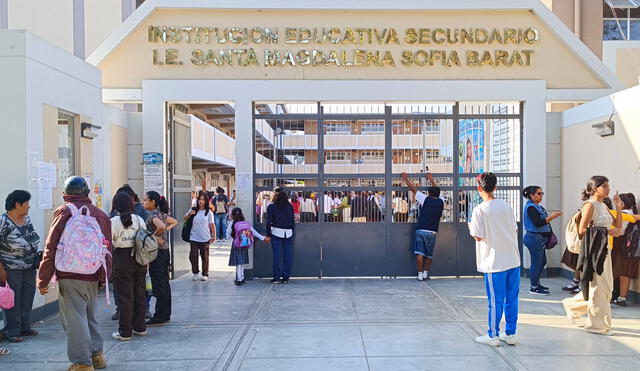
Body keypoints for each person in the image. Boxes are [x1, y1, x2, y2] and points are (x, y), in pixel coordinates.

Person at [38, 176, 113, 370]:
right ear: (87, 193)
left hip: (69, 274)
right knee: (89, 316)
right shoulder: (100, 215)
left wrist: (43, 278)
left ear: (65, 195)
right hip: (93, 273)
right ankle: (97, 356)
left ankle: (81, 363)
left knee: (74, 319)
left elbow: (51, 246)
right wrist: (105, 277)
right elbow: (107, 248)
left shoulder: (63, 211)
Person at [562, 176, 622, 335]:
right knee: (598, 289)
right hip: (594, 252)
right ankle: (597, 325)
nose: (609, 189)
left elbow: (618, 227)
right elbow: (582, 231)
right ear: (595, 188)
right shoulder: (589, 206)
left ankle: (572, 306)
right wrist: (607, 231)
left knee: (606, 289)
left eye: (609, 186)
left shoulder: (603, 205)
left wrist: (618, 207)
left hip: (605, 250)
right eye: (605, 186)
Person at [468, 172, 520, 347]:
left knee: (495, 301)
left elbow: (477, 236)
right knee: (511, 299)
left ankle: (493, 335)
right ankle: (510, 333)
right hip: (513, 259)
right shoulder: (506, 206)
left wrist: (470, 227)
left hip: (494, 261)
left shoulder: (479, 209)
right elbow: (515, 230)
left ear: (479, 188)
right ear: (495, 186)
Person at [0, 190, 40, 343]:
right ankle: (12, 331)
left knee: (27, 296)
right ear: (17, 204)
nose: (29, 207)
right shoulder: (3, 221)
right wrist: (1, 269)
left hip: (29, 266)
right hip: (11, 267)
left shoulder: (26, 219)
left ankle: (25, 327)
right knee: (13, 299)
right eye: (26, 203)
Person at [110, 192, 148, 342]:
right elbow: (145, 237)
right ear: (131, 204)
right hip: (139, 258)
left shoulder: (113, 221)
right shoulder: (138, 219)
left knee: (125, 297)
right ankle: (140, 327)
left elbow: (108, 241)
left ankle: (125, 331)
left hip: (121, 258)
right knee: (140, 293)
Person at [400, 172, 444, 281]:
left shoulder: (425, 199)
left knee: (419, 252)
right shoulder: (441, 201)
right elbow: (436, 190)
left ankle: (419, 274)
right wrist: (431, 179)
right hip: (433, 232)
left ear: (429, 193)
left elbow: (413, 189)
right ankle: (425, 273)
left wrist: (405, 179)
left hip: (421, 229)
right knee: (429, 254)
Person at [143, 191, 177, 327]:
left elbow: (161, 226)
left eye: (145, 200)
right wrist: (162, 232)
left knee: (159, 284)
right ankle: (165, 313)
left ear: (153, 202)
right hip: (165, 251)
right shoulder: (161, 213)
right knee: (164, 283)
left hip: (157, 253)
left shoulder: (153, 214)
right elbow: (173, 222)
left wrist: (153, 236)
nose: (143, 202)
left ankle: (160, 316)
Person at [522, 186, 562, 295]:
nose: (541, 196)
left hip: (539, 238)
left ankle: (537, 283)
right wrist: (552, 217)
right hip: (534, 238)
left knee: (542, 261)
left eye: (542, 193)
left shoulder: (538, 207)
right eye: (538, 194)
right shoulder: (531, 207)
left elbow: (545, 224)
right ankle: (534, 287)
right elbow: (538, 223)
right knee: (537, 262)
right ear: (531, 195)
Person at [227, 208, 270, 285]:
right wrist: (263, 238)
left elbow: (228, 234)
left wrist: (234, 240)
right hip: (244, 244)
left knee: (238, 263)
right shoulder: (246, 224)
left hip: (236, 246)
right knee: (242, 262)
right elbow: (255, 233)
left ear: (232, 215)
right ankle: (242, 277)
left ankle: (239, 279)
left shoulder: (232, 224)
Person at [611, 193, 639, 306]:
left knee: (623, 273)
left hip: (623, 246)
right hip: (627, 247)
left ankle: (622, 298)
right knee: (623, 273)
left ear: (621, 204)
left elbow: (618, 231)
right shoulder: (632, 213)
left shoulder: (624, 215)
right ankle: (620, 296)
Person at [184, 192, 215, 281]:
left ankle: (205, 273)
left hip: (205, 237)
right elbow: (185, 218)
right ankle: (195, 272)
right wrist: (190, 214)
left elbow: (212, 225)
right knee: (193, 255)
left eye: (203, 200)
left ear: (206, 201)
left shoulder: (209, 212)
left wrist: (214, 236)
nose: (201, 201)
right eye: (199, 199)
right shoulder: (193, 209)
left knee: (205, 257)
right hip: (193, 237)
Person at [266, 191, 295, 283]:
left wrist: (268, 234)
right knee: (288, 256)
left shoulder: (272, 207)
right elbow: (292, 220)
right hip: (289, 232)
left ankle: (276, 278)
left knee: (277, 256)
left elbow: (268, 221)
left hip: (276, 232)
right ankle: (286, 277)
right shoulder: (290, 206)